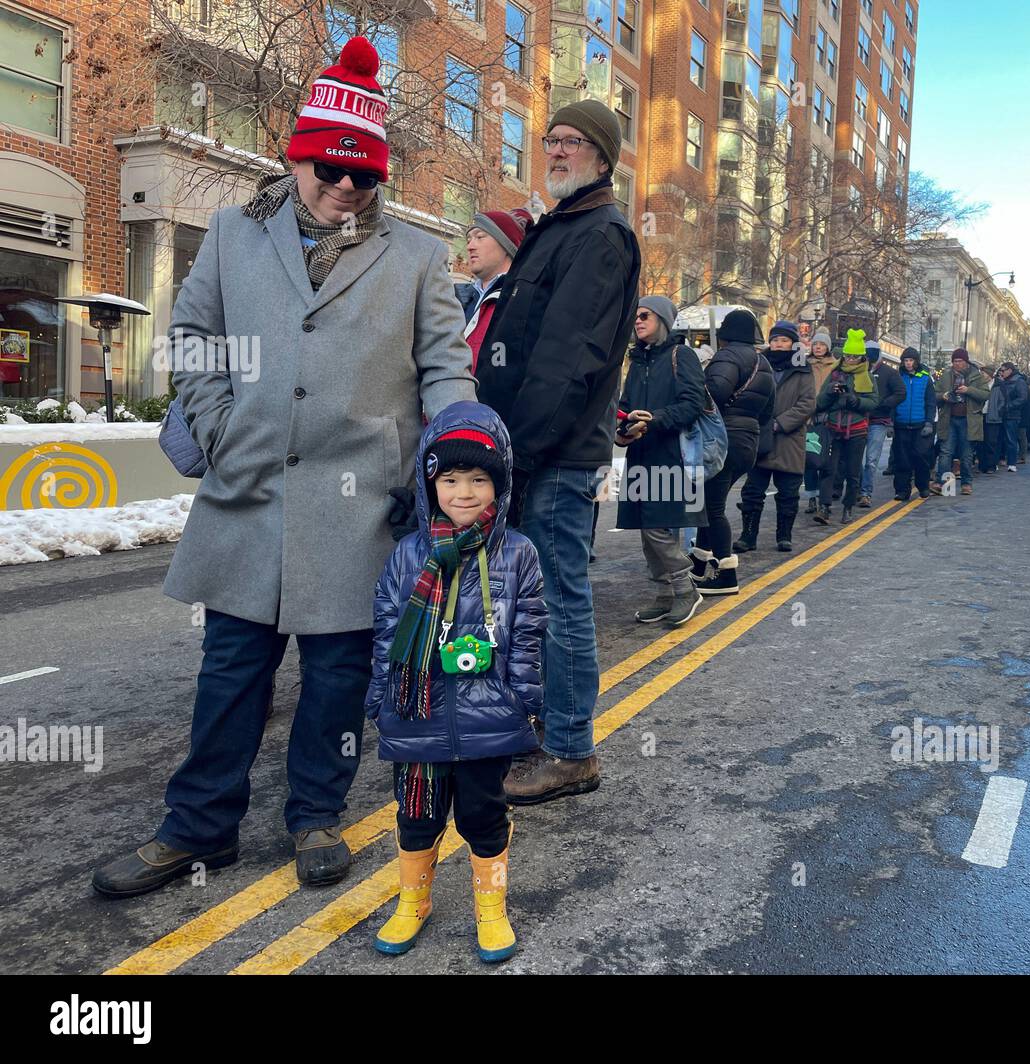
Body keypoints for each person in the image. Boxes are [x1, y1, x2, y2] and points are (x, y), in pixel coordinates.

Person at [91, 37, 478, 899]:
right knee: (230, 670)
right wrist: (221, 422)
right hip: (251, 491)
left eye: (363, 178)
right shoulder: (233, 232)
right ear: (297, 157)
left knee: (338, 678)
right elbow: (191, 337)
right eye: (328, 171)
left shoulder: (418, 258)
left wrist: (455, 448)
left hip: (360, 500)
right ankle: (197, 829)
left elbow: (446, 367)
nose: (344, 188)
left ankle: (314, 815)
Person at [475, 98, 640, 805]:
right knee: (533, 603)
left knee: (561, 603)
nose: (557, 151)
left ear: (603, 158)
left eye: (573, 143)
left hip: (555, 457)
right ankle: (544, 725)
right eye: (552, 140)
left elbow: (566, 363)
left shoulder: (601, 234)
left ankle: (571, 751)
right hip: (531, 449)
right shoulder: (561, 226)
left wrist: (521, 453)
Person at [367, 404, 542, 961]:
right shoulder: (408, 555)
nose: (464, 492)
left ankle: (491, 909)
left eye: (479, 479)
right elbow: (387, 630)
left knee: (482, 814)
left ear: (500, 483)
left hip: (490, 715)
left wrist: (522, 698)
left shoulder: (517, 553)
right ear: (429, 483)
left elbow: (532, 633)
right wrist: (379, 697)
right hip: (416, 712)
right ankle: (412, 901)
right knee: (416, 813)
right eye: (450, 479)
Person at [615, 296, 706, 626]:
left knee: (657, 525)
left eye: (645, 316)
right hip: (640, 452)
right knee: (645, 527)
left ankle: (685, 589)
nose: (637, 321)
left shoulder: (682, 355)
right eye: (636, 316)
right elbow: (625, 405)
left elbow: (693, 403)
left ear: (663, 321)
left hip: (672, 454)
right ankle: (665, 594)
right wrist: (623, 427)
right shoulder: (637, 360)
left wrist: (654, 420)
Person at [689, 308, 774, 594]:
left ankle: (726, 573)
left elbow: (714, 394)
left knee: (712, 507)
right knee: (709, 502)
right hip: (747, 441)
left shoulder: (727, 356)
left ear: (726, 335)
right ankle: (700, 564)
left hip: (722, 439)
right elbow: (768, 412)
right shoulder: (763, 363)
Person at [736, 321, 815, 552]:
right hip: (761, 437)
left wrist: (781, 423)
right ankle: (748, 536)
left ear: (793, 343)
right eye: (775, 340)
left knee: (788, 493)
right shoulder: (757, 364)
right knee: (752, 492)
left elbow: (807, 403)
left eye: (784, 340)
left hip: (789, 440)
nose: (778, 345)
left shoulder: (803, 369)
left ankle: (784, 536)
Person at [814, 329, 880, 522]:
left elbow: (874, 401)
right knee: (828, 469)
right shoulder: (835, 373)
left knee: (852, 472)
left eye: (855, 357)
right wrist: (831, 392)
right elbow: (820, 402)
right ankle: (824, 507)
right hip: (833, 427)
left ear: (862, 358)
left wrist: (856, 401)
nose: (850, 360)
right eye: (848, 356)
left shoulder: (867, 376)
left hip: (857, 429)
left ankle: (848, 506)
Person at [455, 209, 532, 373]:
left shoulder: (524, 299)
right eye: (468, 239)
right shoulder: (454, 297)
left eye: (480, 237)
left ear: (506, 245)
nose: (470, 246)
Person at [932, 347, 989, 496]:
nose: (957, 364)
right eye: (955, 361)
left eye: (960, 361)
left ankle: (966, 483)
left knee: (966, 454)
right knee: (945, 452)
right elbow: (934, 394)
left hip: (968, 421)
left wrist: (968, 390)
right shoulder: (946, 375)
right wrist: (942, 396)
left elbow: (985, 394)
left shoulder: (976, 376)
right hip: (949, 419)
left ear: (966, 362)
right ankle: (941, 483)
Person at [858, 339, 905, 508]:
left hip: (878, 421)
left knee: (871, 459)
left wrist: (884, 404)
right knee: (856, 459)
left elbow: (901, 393)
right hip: (858, 419)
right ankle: (857, 489)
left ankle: (865, 493)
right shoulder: (858, 370)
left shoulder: (889, 373)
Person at [892, 347, 935, 500]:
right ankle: (902, 490)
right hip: (901, 424)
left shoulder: (925, 378)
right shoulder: (898, 377)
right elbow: (893, 400)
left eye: (911, 360)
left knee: (921, 457)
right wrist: (892, 422)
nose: (908, 363)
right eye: (906, 360)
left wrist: (929, 422)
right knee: (902, 459)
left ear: (916, 362)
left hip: (920, 424)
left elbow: (930, 402)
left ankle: (923, 486)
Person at [803, 330, 836, 513]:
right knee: (810, 460)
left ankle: (825, 499)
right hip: (808, 418)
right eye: (815, 344)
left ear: (828, 347)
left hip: (828, 419)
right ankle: (811, 498)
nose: (818, 347)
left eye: (822, 345)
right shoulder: (805, 365)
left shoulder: (835, 366)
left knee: (827, 461)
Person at [997, 362, 1029, 472]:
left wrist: (1008, 406)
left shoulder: (1019, 381)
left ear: (1010, 370)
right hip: (1001, 414)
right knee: (998, 439)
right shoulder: (1003, 381)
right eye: (1000, 371)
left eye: (1003, 370)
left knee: (1011, 439)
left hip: (1012, 414)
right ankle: (998, 460)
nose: (1001, 373)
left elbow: (1023, 398)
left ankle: (1011, 463)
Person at [979, 364, 1004, 472]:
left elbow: (1003, 401)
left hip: (993, 416)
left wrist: (997, 411)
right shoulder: (979, 384)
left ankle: (991, 465)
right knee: (981, 442)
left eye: (983, 373)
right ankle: (982, 464)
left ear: (989, 374)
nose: (982, 375)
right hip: (980, 415)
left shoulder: (999, 385)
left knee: (991, 442)